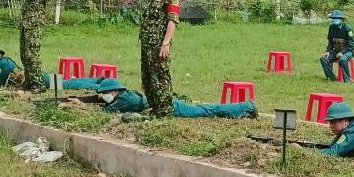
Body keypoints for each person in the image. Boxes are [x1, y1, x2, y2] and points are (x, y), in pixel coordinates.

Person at [125, 0, 180, 117]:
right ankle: (155, 108)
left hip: (159, 44)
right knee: (148, 78)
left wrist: (166, 44)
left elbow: (173, 20)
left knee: (160, 77)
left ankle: (165, 111)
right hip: (147, 45)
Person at [79, 79, 256, 118]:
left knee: (208, 111)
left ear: (115, 92)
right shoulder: (124, 97)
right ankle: (243, 110)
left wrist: (80, 106)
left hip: (172, 108)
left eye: (105, 94)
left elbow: (106, 112)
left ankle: (246, 107)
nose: (103, 97)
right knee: (206, 109)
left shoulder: (125, 100)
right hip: (167, 105)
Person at [17, 0, 50, 92]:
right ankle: (29, 81)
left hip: (34, 24)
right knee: (24, 55)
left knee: (32, 54)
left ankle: (38, 83)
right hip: (25, 24)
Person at [319, 10, 354, 83]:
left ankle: (348, 80)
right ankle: (331, 78)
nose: (334, 20)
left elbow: (352, 44)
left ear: (341, 19)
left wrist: (342, 52)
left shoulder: (348, 29)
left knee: (342, 59)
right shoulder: (331, 28)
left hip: (348, 51)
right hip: (336, 50)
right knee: (323, 59)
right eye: (333, 18)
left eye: (336, 18)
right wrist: (328, 51)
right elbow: (330, 41)